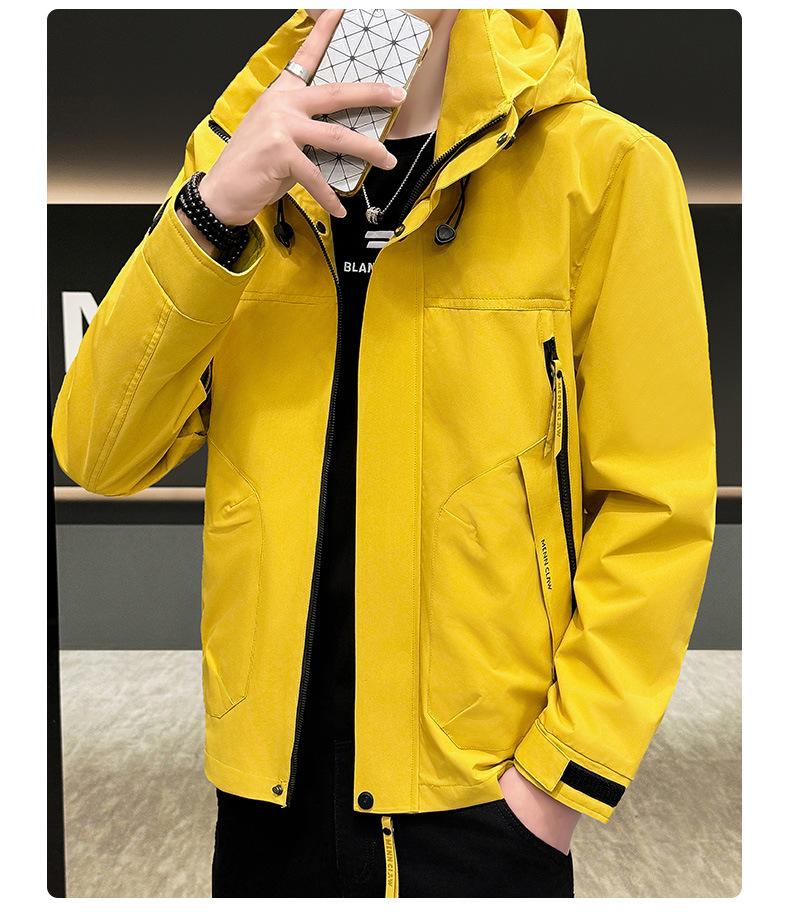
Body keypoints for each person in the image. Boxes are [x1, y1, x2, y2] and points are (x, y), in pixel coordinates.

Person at [51, 8, 717, 898]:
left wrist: (556, 782)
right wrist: (215, 210)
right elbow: (99, 450)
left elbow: (656, 505)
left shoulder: (603, 168)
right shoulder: (236, 161)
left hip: (478, 799)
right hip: (265, 796)